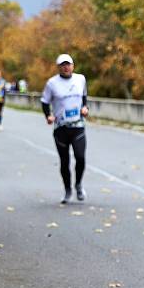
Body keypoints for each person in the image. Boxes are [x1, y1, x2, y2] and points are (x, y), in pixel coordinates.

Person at [41, 54, 89, 204]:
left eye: (68, 64)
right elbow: (44, 101)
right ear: (58, 67)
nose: (66, 67)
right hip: (61, 128)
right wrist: (48, 115)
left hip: (78, 126)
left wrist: (85, 107)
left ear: (73, 66)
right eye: (63, 65)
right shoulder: (52, 83)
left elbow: (84, 97)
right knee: (64, 161)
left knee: (80, 157)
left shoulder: (80, 79)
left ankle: (78, 185)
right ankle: (68, 189)